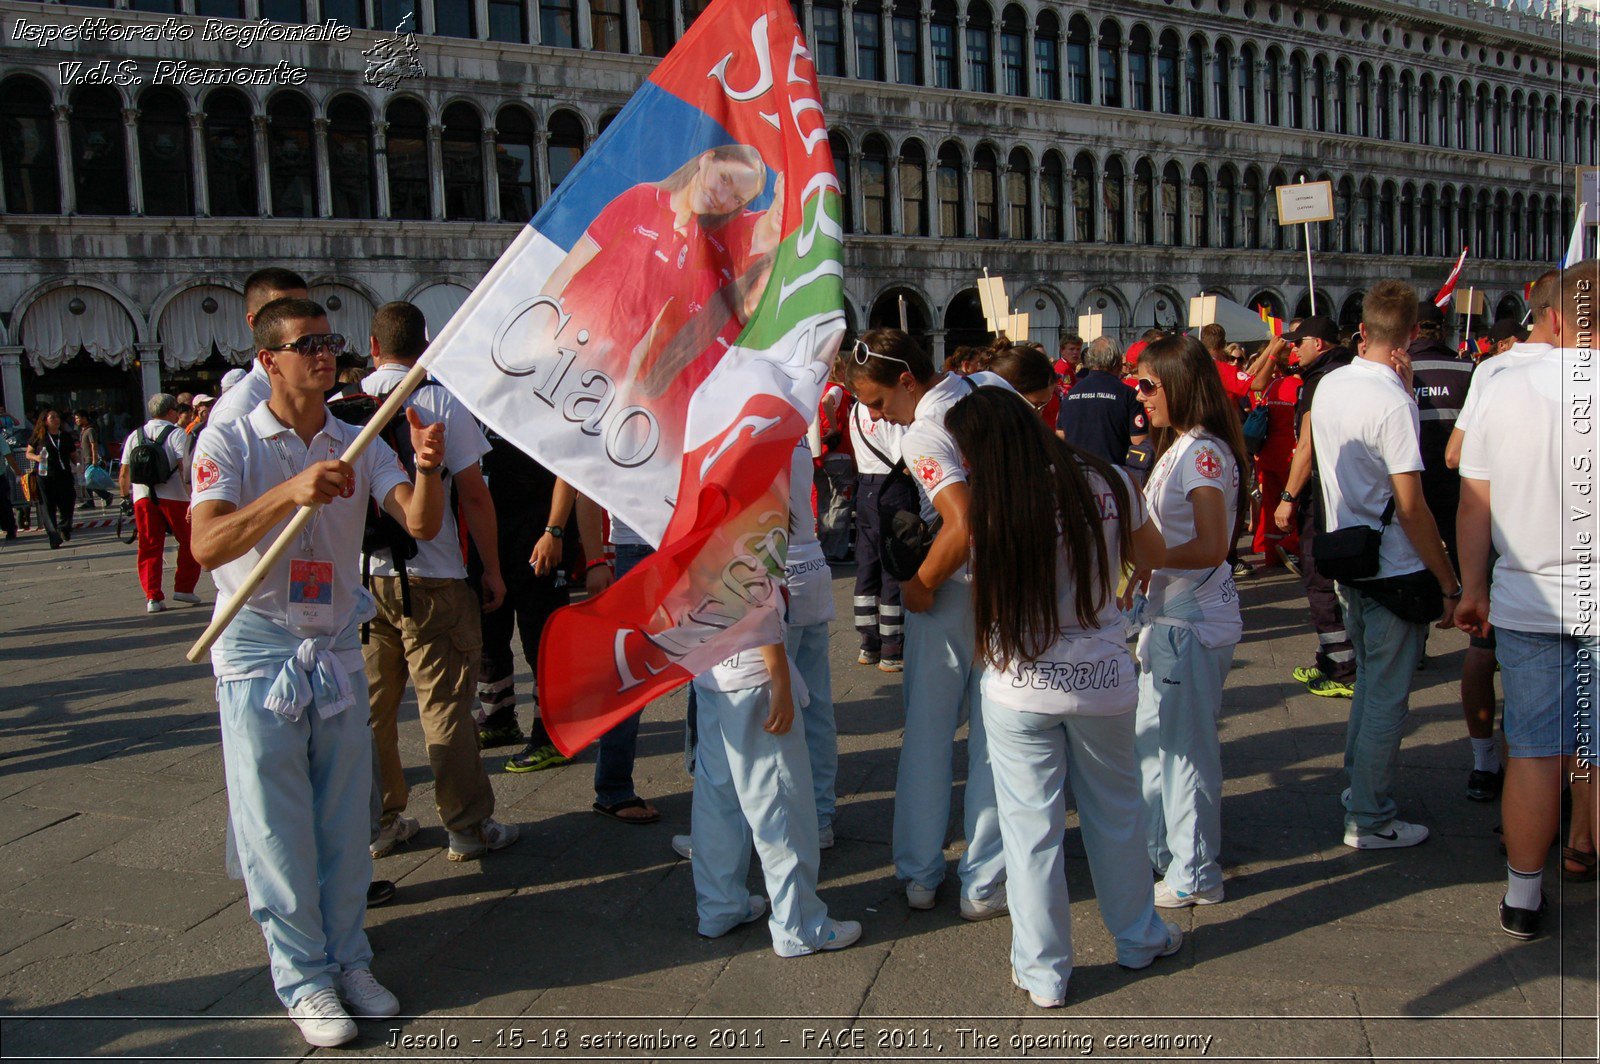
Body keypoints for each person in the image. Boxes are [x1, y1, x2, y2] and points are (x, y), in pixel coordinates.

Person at [189, 296, 446, 1047]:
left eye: (330, 340)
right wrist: (288, 493)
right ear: (268, 360)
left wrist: (428, 470)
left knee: (342, 821)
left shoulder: (356, 435)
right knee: (276, 827)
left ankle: (349, 960)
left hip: (334, 641)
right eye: (306, 345)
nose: (324, 354)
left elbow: (421, 522)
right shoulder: (231, 434)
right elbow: (207, 543)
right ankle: (302, 977)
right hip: (259, 647)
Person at [947, 385, 1180, 1008]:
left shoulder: (994, 500)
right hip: (1103, 671)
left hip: (1020, 682)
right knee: (1117, 813)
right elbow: (1151, 553)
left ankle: (1044, 970)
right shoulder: (1108, 479)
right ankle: (1137, 936)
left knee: (1031, 832)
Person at [1455, 258, 1599, 937]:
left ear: (1558, 315)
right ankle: (1581, 849)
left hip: (1527, 596)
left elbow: (1473, 503)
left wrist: (1472, 587)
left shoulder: (1504, 383)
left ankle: (1522, 896)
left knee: (1536, 749)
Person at [844, 328, 1008, 918]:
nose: (875, 416)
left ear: (907, 381)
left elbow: (960, 526)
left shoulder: (923, 432)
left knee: (928, 737)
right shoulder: (992, 388)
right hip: (1007, 588)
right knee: (996, 739)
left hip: (950, 589)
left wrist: (919, 585)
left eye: (878, 402)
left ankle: (919, 871)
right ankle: (985, 881)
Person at [359, 301, 519, 864]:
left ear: (372, 347)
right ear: (425, 345)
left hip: (365, 577)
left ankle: (380, 819)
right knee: (446, 706)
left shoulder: (342, 404)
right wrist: (493, 570)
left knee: (373, 708)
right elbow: (474, 493)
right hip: (436, 572)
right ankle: (466, 827)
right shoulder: (438, 397)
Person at [1310, 280, 1461, 850]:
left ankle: (1359, 789)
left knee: (1370, 684)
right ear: (1413, 333)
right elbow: (1412, 504)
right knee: (1387, 696)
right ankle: (1371, 817)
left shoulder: (1330, 385)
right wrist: (1448, 580)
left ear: (1363, 329)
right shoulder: (1394, 403)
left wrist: (1404, 389)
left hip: (1346, 554)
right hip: (1394, 565)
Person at [1129, 335, 1247, 907]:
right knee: (1155, 745)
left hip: (1191, 621)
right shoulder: (1182, 446)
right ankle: (1163, 850)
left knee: (1186, 750)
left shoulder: (1202, 452)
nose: (1140, 394)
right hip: (1171, 617)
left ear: (1179, 384)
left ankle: (1196, 870)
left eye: (1149, 385)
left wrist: (1143, 558)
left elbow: (1211, 544)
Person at [1444, 269, 1561, 803]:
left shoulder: (1494, 374)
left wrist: (1470, 587)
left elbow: (1457, 459)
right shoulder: (1495, 371)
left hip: (1506, 552)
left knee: (1498, 669)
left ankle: (1486, 765)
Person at [474, 432, 579, 756]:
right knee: (490, 636)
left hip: (542, 537)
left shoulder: (538, 397)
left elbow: (571, 468)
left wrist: (555, 530)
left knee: (542, 641)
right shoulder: (476, 401)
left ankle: (552, 736)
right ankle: (498, 720)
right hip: (494, 541)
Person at [1271, 319, 1359, 699]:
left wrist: (1288, 497)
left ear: (1318, 343)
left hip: (1321, 496)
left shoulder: (1320, 380)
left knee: (1320, 579)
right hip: (1348, 492)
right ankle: (1332, 658)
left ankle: (1341, 666)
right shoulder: (1349, 371)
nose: (1293, 351)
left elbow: (1306, 446)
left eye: (1298, 344)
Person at [847, 364, 911, 672]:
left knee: (867, 566)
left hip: (866, 486)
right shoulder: (885, 412)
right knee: (893, 568)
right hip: (893, 486)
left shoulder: (856, 409)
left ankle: (868, 644)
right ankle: (891, 647)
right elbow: (905, 458)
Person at [118, 393, 202, 614]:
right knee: (190, 541)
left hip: (143, 496)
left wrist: (125, 497)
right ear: (171, 411)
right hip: (175, 496)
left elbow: (125, 471)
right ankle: (184, 587)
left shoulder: (134, 436)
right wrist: (193, 496)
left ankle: (153, 596)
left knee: (148, 546)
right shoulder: (176, 434)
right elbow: (185, 467)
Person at [1407, 300, 1474, 568]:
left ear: (1412, 331)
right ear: (1442, 331)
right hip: (1455, 482)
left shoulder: (1396, 370)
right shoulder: (1467, 370)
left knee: (1416, 553)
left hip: (1412, 481)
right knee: (1459, 549)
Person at [209, 268, 311, 429]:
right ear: (254, 322)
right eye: (283, 313)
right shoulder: (238, 409)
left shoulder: (309, 392)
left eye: (305, 309)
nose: (300, 321)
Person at [1056, 336, 1147, 468]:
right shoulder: (1129, 394)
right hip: (1113, 475)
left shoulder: (1071, 395)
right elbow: (1139, 442)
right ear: (1116, 362)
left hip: (1078, 474)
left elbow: (1060, 436)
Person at [814, 367, 856, 562]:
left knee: (824, 503)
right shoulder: (836, 389)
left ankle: (823, 547)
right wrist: (833, 428)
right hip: (839, 452)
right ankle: (835, 550)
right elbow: (827, 401)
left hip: (818, 453)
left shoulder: (812, 390)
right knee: (841, 502)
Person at [25, 408, 77, 547]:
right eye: (52, 417)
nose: (56, 420)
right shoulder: (39, 436)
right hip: (45, 475)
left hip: (64, 474)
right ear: (45, 421)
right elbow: (28, 453)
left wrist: (78, 464)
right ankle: (53, 536)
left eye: (57, 417)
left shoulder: (65, 436)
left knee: (68, 501)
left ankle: (64, 527)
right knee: (47, 506)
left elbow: (73, 455)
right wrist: (36, 457)